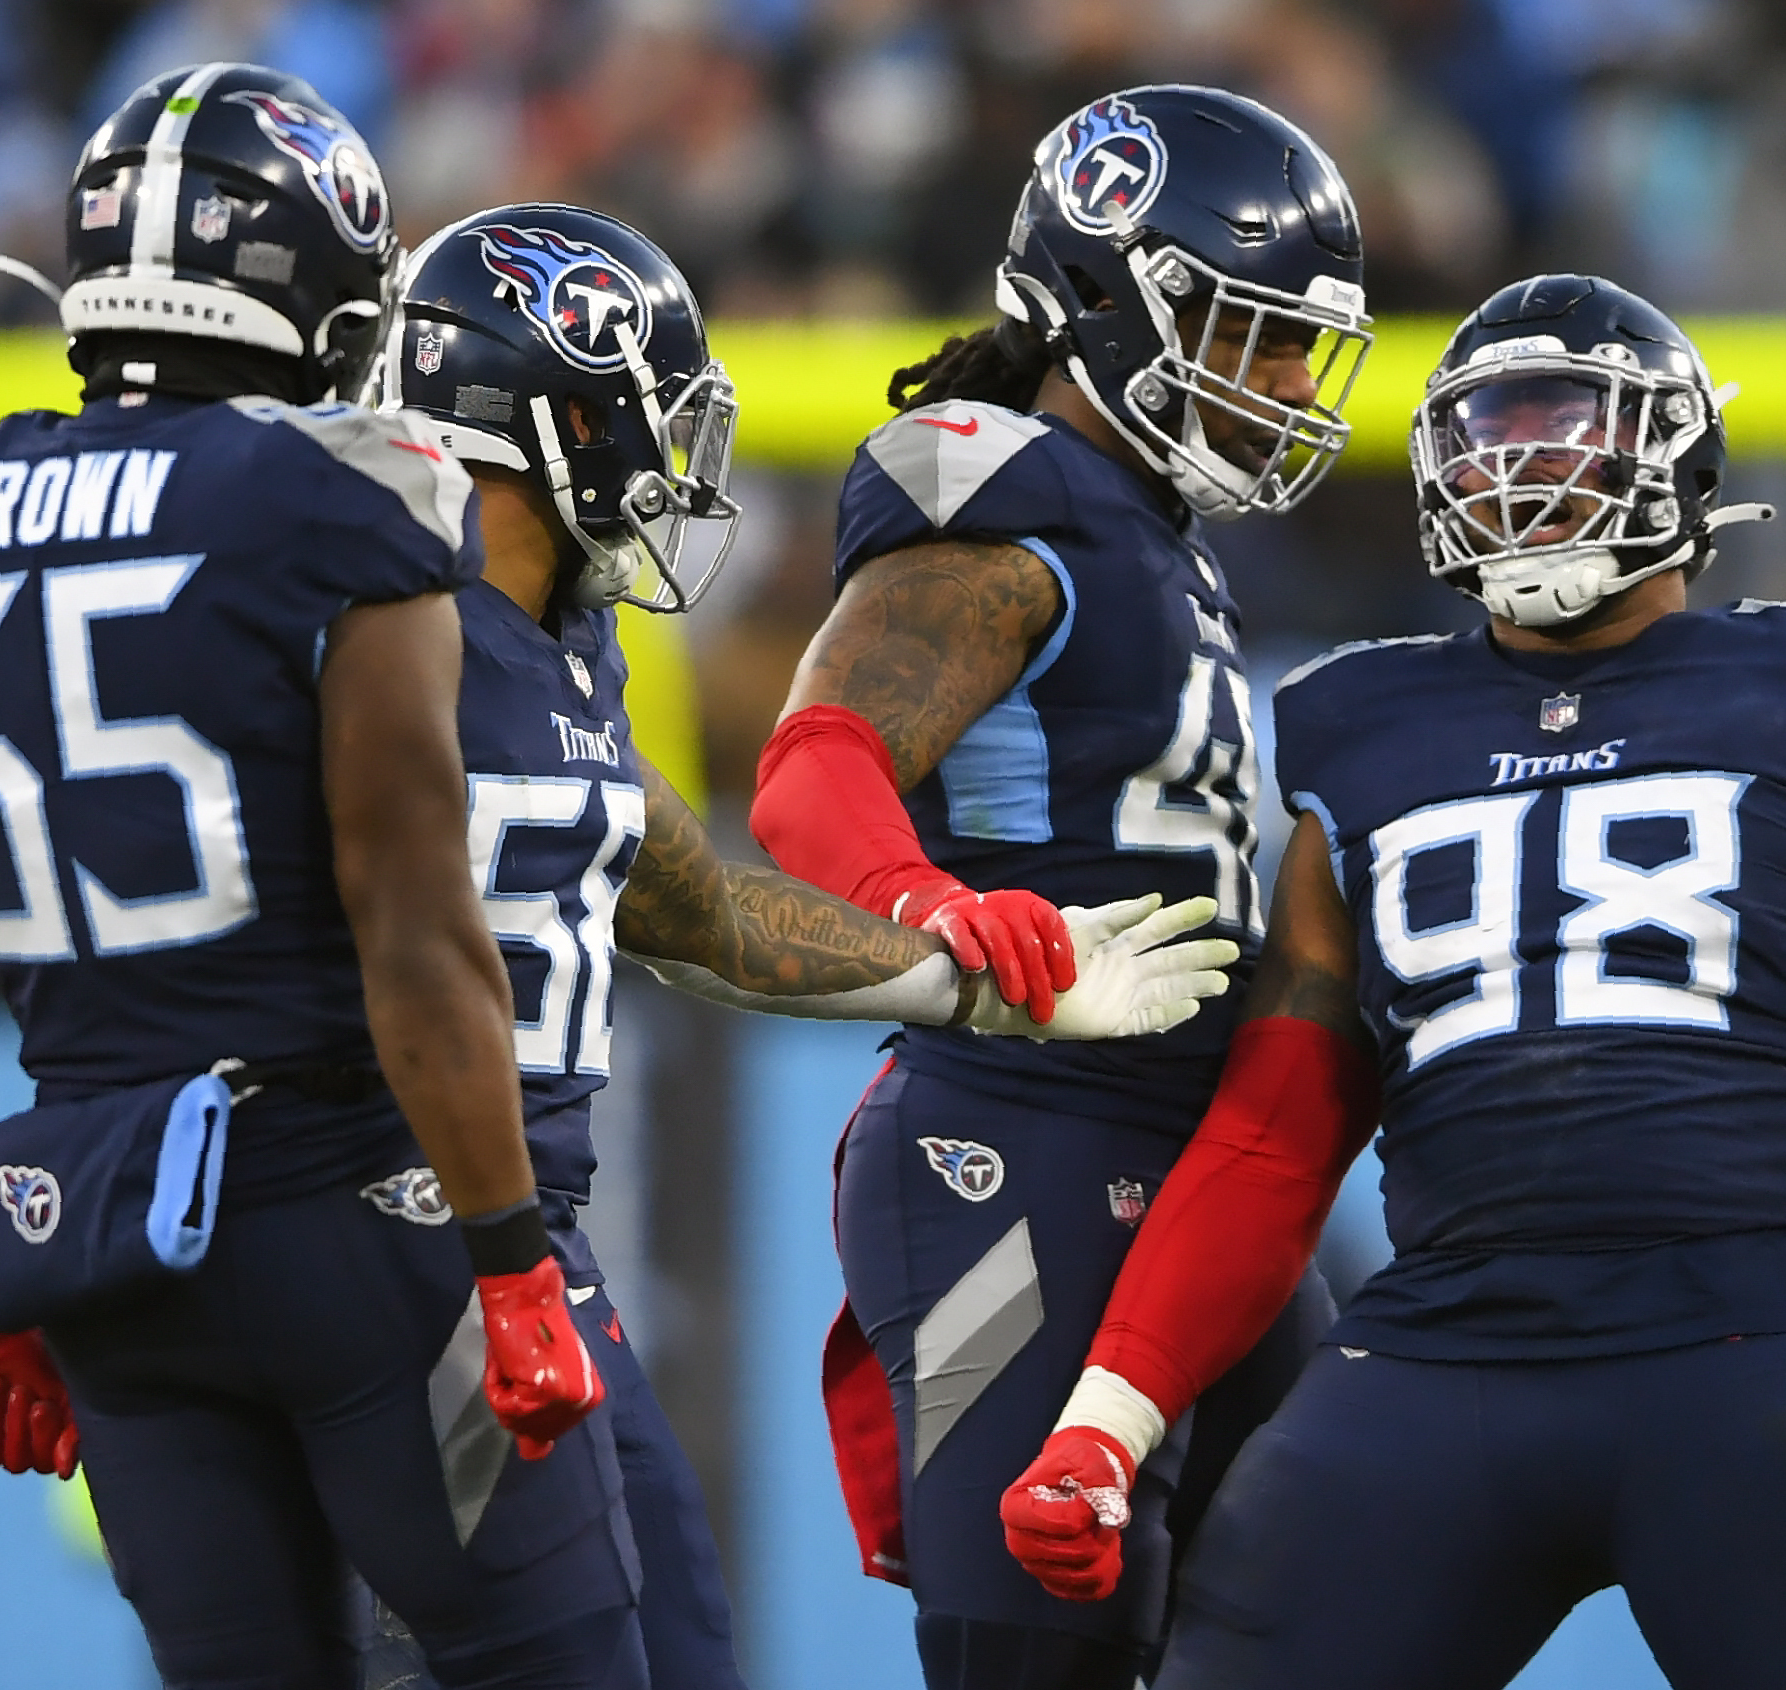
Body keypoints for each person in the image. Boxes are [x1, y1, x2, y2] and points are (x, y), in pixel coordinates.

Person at [1000, 274, 1786, 1690]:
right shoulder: (1362, 726)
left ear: (1673, 448)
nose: (1519, 467)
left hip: (1741, 1350)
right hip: (1440, 1362)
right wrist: (1104, 1421)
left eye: (1561, 428)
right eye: (1488, 434)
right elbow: (1274, 1136)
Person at [349, 201, 1243, 1690]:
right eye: (648, 417)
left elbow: (703, 912)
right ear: (546, 411)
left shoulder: (566, 640)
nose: (673, 464)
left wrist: (976, 974)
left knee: (678, 1648)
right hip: (372, 1227)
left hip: (528, 1241)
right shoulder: (349, 614)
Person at [0, 65, 631, 1689]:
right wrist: (509, 1250)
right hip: (353, 1204)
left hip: (99, 1232)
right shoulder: (343, 491)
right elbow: (416, 923)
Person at [748, 85, 1375, 1690]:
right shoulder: (1007, 498)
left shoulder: (1155, 532)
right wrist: (928, 906)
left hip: (1204, 1170)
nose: (1294, 383)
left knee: (1326, 1622)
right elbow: (814, 763)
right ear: (1116, 303)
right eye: (1258, 334)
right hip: (1014, 1149)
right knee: (1038, 1659)